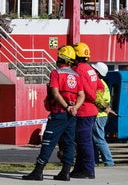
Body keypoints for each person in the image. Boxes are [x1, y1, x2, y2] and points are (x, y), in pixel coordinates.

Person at [22, 45, 85, 181]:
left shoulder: (56, 73)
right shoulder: (76, 75)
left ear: (61, 59)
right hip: (72, 115)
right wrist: (75, 108)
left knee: (48, 142)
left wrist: (67, 107)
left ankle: (38, 171)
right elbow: (81, 95)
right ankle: (65, 172)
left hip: (59, 113)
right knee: (68, 143)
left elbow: (55, 93)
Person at [71, 42, 100, 179]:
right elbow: (100, 86)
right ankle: (79, 169)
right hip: (91, 110)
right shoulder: (90, 68)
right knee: (82, 141)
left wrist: (92, 98)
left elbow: (87, 92)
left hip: (84, 110)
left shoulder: (79, 70)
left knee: (83, 141)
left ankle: (88, 170)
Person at [91, 61, 115, 167]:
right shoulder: (102, 83)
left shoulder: (98, 84)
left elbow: (97, 99)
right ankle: (94, 161)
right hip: (101, 115)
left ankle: (109, 162)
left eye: (94, 70)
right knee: (93, 139)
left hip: (99, 115)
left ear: (97, 72)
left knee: (98, 138)